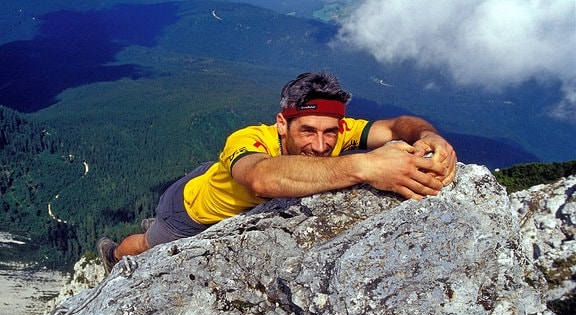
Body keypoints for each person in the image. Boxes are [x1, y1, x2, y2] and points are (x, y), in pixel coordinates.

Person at [97, 71, 457, 274]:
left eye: (330, 131)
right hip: (191, 212)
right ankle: (112, 255)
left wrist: (429, 135)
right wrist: (365, 165)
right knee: (148, 244)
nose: (320, 145)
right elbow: (261, 178)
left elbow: (396, 126)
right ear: (282, 123)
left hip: (218, 179)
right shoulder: (249, 139)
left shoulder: (337, 133)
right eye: (307, 131)